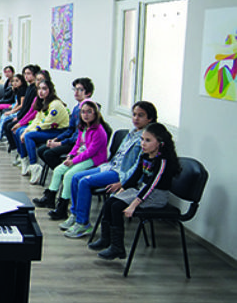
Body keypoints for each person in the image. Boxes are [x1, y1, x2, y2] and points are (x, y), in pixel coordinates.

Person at [61, 101, 158, 236]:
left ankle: (83, 223)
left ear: (150, 119)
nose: (136, 118)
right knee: (76, 177)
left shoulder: (146, 140)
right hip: (111, 166)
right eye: (134, 114)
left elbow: (137, 168)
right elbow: (118, 155)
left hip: (120, 174)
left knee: (84, 182)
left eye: (140, 115)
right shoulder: (131, 133)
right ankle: (76, 214)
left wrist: (123, 183)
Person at [89, 122, 180, 260]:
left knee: (117, 206)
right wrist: (122, 189)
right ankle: (106, 238)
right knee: (110, 202)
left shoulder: (162, 162)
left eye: (148, 140)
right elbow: (135, 177)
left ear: (160, 143)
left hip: (156, 196)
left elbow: (151, 185)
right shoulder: (144, 156)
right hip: (142, 191)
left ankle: (117, 247)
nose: (143, 143)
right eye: (142, 139)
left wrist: (133, 205)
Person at [32, 99, 109, 228]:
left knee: (69, 175)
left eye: (89, 112)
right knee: (58, 170)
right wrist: (70, 155)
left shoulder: (99, 131)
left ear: (96, 114)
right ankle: (50, 198)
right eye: (83, 112)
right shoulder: (83, 127)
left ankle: (62, 207)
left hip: (94, 160)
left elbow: (90, 152)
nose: (85, 115)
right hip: (79, 156)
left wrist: (73, 161)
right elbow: (77, 144)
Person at [36, 77, 95, 173]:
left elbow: (78, 137)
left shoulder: (88, 112)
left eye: (80, 90)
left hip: (79, 145)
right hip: (71, 141)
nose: (76, 92)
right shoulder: (77, 107)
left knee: (48, 154)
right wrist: (57, 139)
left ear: (88, 93)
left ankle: (63, 174)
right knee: (41, 150)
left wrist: (60, 143)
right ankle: (61, 172)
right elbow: (70, 129)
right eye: (75, 89)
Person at [15, 78, 69, 178]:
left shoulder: (55, 104)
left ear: (50, 90)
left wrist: (28, 132)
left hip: (59, 132)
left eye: (44, 89)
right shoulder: (43, 102)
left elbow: (46, 123)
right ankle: (24, 160)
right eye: (39, 88)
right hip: (48, 130)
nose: (41, 91)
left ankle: (34, 165)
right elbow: (37, 120)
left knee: (28, 136)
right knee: (20, 131)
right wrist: (26, 129)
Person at [1, 64, 39, 150]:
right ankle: (15, 147)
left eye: (28, 73)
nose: (26, 76)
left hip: (29, 117)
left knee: (10, 126)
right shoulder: (29, 88)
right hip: (23, 115)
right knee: (7, 124)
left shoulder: (34, 89)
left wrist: (19, 119)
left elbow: (29, 108)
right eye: (25, 74)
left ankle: (19, 150)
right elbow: (25, 105)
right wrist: (18, 117)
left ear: (34, 75)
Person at [0, 73, 27, 145]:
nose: (14, 83)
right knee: (4, 116)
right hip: (16, 109)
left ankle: (0, 136)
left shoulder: (23, 90)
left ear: (22, 82)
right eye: (13, 81)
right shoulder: (18, 90)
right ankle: (0, 134)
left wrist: (11, 112)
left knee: (4, 117)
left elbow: (21, 105)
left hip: (21, 111)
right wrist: (12, 111)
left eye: (17, 81)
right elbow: (17, 102)